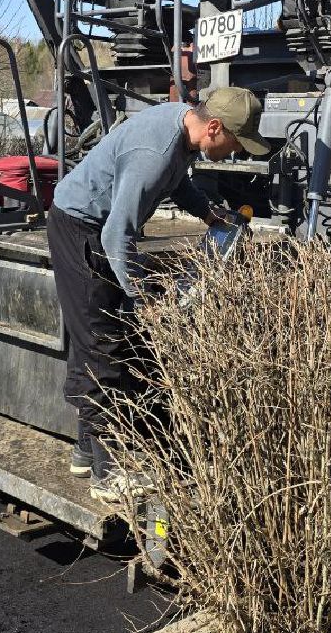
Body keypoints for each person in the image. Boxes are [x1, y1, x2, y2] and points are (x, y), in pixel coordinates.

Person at [47, 87, 269, 505]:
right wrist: (144, 299)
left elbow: (177, 181)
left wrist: (207, 213)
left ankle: (85, 452)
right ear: (214, 127)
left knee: (94, 337)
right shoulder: (155, 153)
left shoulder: (182, 124)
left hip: (92, 227)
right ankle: (108, 474)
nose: (236, 152)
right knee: (104, 348)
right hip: (81, 229)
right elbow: (117, 235)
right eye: (236, 143)